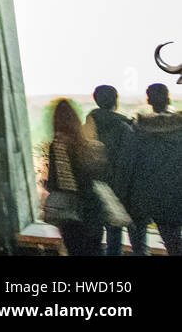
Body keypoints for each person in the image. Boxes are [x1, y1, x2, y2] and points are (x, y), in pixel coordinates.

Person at [116, 83, 182, 255]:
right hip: (177, 194)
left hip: (148, 196)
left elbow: (127, 166)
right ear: (168, 99)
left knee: (167, 243)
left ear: (148, 100)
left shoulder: (136, 130)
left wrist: (122, 196)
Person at [85, 85, 147, 254]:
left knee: (112, 242)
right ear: (116, 101)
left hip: (103, 193)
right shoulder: (126, 128)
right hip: (130, 196)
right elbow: (130, 165)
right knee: (139, 244)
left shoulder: (87, 128)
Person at [44, 98, 106, 255]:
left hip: (72, 212)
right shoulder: (89, 145)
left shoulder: (58, 146)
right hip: (93, 209)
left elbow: (55, 183)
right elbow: (100, 176)